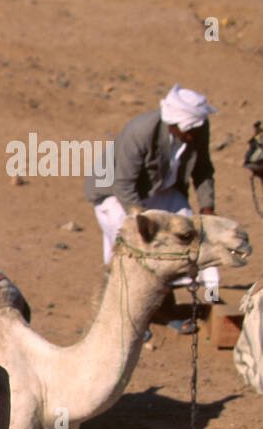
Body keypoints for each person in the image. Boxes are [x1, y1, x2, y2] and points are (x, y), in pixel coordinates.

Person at [84, 85, 220, 330]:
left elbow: (203, 169)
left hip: (159, 190)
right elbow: (123, 184)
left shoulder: (198, 128)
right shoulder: (141, 131)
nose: (193, 136)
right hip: (114, 194)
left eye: (196, 130)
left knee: (191, 234)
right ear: (175, 124)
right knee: (134, 245)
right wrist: (144, 222)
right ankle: (128, 316)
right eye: (189, 131)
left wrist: (208, 208)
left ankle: (197, 302)